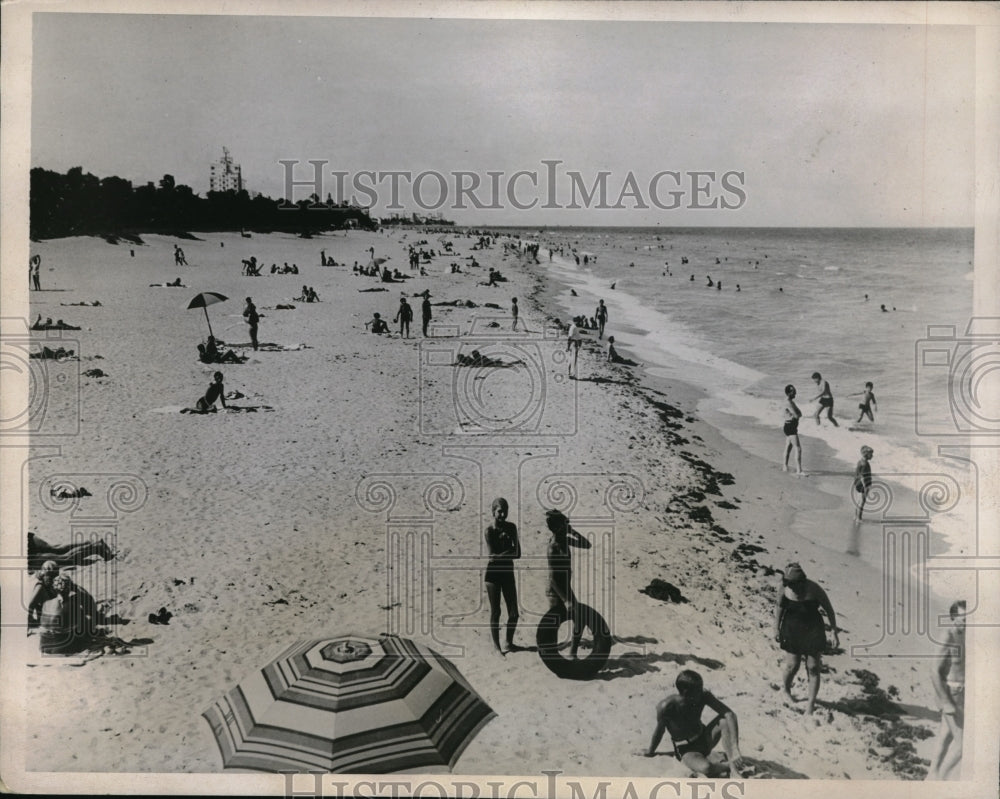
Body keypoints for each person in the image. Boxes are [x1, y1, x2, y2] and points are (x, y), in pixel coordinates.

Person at [643, 670, 750, 777]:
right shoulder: (666, 707)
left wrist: (735, 749)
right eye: (698, 689)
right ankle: (728, 765)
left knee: (724, 720)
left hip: (705, 737)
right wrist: (650, 751)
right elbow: (660, 731)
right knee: (706, 768)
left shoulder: (703, 695)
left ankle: (733, 766)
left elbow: (729, 714)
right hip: (686, 749)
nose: (702, 690)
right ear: (686, 692)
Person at [774, 563, 839, 716]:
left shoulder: (814, 589)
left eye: (794, 585)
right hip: (791, 628)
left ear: (802, 582)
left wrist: (834, 632)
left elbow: (829, 610)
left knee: (813, 667)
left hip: (812, 629)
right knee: (792, 665)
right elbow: (779, 607)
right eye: (789, 584)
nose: (792, 588)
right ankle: (786, 690)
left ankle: (810, 703)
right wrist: (776, 628)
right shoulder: (784, 588)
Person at [927, 600, 966, 780]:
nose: (966, 622)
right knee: (963, 744)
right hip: (951, 693)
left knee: (946, 736)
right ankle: (943, 781)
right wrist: (944, 701)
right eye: (962, 618)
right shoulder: (947, 636)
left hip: (963, 693)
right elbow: (934, 670)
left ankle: (931, 776)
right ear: (953, 617)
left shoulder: (968, 634)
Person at [544, 509, 586, 658]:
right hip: (555, 591)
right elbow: (552, 579)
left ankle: (572, 652)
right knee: (554, 624)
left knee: (580, 618)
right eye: (564, 524)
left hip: (565, 587)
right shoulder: (553, 547)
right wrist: (566, 600)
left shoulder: (565, 540)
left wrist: (572, 532)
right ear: (556, 527)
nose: (566, 526)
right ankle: (554, 658)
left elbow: (587, 544)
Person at [484, 498, 521, 655]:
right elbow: (491, 557)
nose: (503, 514)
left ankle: (508, 642)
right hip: (493, 574)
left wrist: (503, 554)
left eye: (505, 511)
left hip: (507, 572)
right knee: (496, 611)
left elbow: (518, 553)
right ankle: (496, 646)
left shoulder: (512, 528)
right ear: (493, 512)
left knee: (514, 613)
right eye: (499, 511)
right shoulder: (489, 531)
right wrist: (508, 552)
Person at [27, 532, 113, 573]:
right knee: (57, 549)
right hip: (28, 538)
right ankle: (89, 543)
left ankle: (96, 547)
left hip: (27, 555)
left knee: (65, 558)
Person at [782, 385, 803, 474]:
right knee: (798, 449)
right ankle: (799, 470)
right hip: (791, 427)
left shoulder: (790, 401)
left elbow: (799, 413)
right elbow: (797, 415)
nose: (796, 393)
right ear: (789, 392)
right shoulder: (788, 402)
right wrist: (798, 414)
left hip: (789, 426)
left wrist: (798, 413)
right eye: (794, 391)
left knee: (788, 447)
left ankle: (785, 466)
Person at [853, 446, 874, 522]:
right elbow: (862, 477)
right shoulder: (865, 464)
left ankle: (855, 516)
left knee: (858, 501)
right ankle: (859, 518)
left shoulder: (860, 461)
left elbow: (858, 473)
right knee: (862, 501)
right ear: (866, 454)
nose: (872, 456)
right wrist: (865, 486)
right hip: (862, 484)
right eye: (871, 454)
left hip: (857, 482)